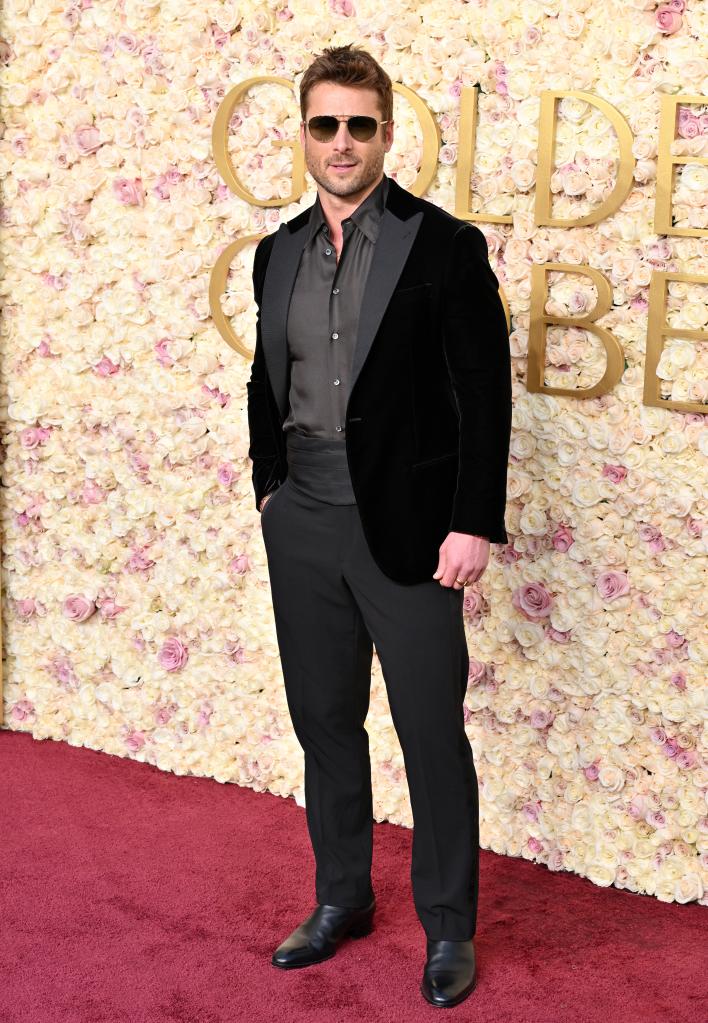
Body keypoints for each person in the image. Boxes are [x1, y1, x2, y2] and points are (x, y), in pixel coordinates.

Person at [246, 42, 511, 1008]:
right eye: (326, 124)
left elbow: (484, 397)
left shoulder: (443, 246)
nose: (343, 141)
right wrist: (271, 486)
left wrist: (471, 522)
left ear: (386, 134)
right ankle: (342, 896)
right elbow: (262, 378)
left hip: (408, 528)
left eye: (361, 124)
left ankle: (449, 927)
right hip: (303, 519)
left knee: (429, 729)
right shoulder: (276, 252)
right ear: (306, 134)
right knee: (323, 720)